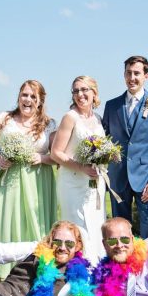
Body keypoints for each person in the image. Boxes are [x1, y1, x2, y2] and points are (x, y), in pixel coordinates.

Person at [0, 80, 58, 283]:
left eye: (32, 97)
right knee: (5, 224)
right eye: (24, 95)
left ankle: (33, 276)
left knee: (34, 226)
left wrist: (41, 158)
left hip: (37, 181)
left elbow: (56, 155)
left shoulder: (49, 124)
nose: (27, 100)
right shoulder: (5, 118)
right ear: (18, 97)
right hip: (6, 181)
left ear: (40, 102)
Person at [102, 56, 148, 238]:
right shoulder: (111, 106)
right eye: (128, 73)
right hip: (117, 178)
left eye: (137, 73)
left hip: (146, 178)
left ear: (146, 76)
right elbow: (105, 142)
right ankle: (123, 267)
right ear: (124, 75)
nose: (132, 78)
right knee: (119, 230)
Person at [51, 75, 106, 264]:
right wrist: (81, 167)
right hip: (73, 182)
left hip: (94, 183)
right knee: (79, 228)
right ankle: (79, 271)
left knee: (96, 225)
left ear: (94, 93)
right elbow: (56, 153)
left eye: (84, 90)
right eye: (76, 91)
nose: (80, 94)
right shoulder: (70, 117)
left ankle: (96, 271)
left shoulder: (98, 118)